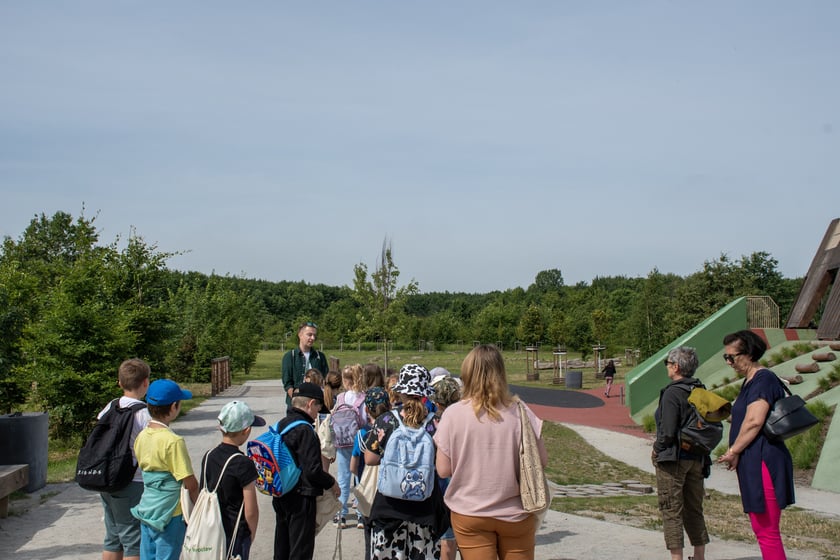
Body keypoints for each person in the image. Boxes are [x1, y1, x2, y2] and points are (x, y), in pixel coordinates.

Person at [434, 344, 547, 560]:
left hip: (470, 513)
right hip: (517, 512)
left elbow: (443, 469)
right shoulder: (521, 412)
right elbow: (542, 460)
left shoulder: (453, 415)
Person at [717, 330, 795, 560]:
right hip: (753, 460)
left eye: (732, 357)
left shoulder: (763, 380)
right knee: (762, 529)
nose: (729, 362)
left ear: (749, 353)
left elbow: (754, 421)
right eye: (726, 358)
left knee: (767, 530)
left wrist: (733, 451)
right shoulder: (750, 381)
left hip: (764, 459)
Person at [364, 364, 441, 560]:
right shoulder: (436, 423)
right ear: (425, 393)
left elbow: (370, 458)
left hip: (389, 507)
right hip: (425, 507)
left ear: (401, 393)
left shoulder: (387, 420)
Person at [651, 346, 710, 560]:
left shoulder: (672, 392)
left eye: (668, 364)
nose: (667, 367)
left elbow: (667, 431)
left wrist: (657, 449)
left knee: (671, 508)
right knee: (694, 508)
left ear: (675, 367)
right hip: (698, 456)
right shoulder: (699, 389)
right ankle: (699, 554)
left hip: (674, 458)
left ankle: (676, 557)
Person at [131, 379, 198, 560]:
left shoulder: (142, 436)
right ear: (174, 407)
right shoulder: (173, 441)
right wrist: (199, 505)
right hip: (171, 513)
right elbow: (188, 480)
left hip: (148, 508)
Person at [272, 382, 340, 560]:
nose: (318, 411)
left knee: (282, 546)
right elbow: (313, 471)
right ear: (310, 404)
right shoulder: (306, 431)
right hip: (302, 497)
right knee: (300, 549)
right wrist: (332, 483)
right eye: (318, 406)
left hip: (282, 493)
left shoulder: (282, 424)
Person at [98, 358, 152, 560]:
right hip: (132, 481)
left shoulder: (109, 407)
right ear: (146, 382)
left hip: (107, 479)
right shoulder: (144, 415)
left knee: (112, 537)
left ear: (120, 382)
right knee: (133, 541)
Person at [200, 400, 265, 560]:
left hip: (211, 529)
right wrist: (250, 535)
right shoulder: (243, 463)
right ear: (246, 430)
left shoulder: (208, 456)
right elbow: (251, 510)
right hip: (236, 532)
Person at [350, 386, 391, 558]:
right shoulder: (392, 430)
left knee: (370, 539)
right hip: (388, 493)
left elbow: (353, 467)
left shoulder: (362, 435)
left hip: (368, 493)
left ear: (366, 409)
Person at [430, 375, 462, 560]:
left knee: (446, 539)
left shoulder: (430, 422)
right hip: (462, 482)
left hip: (439, 483)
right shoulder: (464, 421)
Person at [332, 364, 368, 528]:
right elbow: (364, 420)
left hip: (341, 442)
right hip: (359, 441)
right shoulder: (363, 398)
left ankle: (341, 514)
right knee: (360, 478)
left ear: (345, 381)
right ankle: (362, 514)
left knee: (343, 478)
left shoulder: (340, 398)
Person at [281, 321, 329, 407]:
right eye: (309, 335)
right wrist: (298, 401)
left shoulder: (320, 357)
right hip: (296, 406)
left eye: (314, 335)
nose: (313, 338)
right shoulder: (290, 357)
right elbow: (288, 384)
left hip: (316, 405)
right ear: (300, 335)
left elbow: (326, 380)